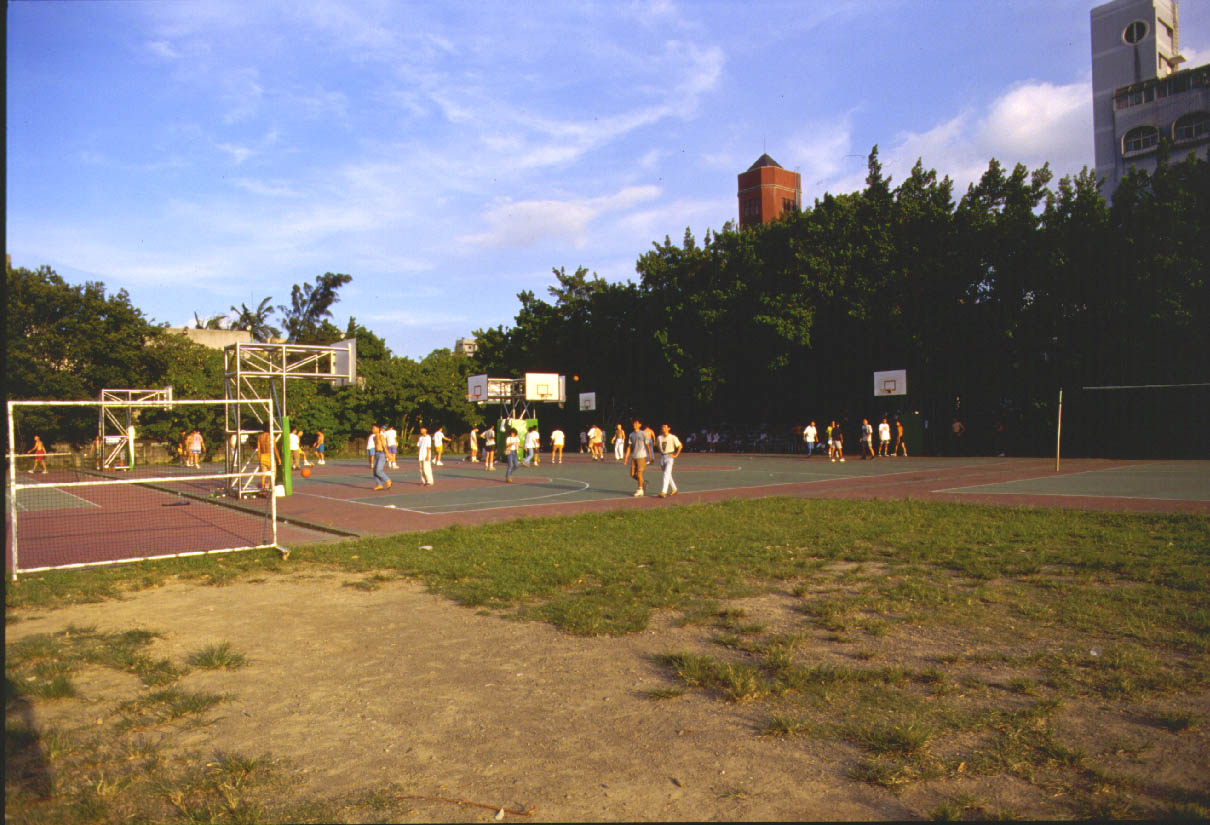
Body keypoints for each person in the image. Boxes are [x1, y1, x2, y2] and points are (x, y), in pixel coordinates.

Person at [622, 418, 649, 497]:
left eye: (637, 423)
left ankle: (640, 489)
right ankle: (643, 483)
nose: (635, 425)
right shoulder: (631, 435)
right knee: (632, 474)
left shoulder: (643, 433)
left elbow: (647, 445)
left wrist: (650, 456)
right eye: (634, 423)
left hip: (641, 456)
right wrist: (626, 458)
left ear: (640, 425)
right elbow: (629, 447)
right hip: (634, 456)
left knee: (639, 473)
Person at [656, 423, 683, 498]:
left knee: (666, 474)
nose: (663, 428)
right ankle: (674, 489)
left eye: (665, 427)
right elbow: (657, 445)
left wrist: (676, 455)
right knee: (668, 474)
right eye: (662, 427)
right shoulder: (659, 437)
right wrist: (661, 452)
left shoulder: (672, 437)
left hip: (670, 457)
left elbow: (680, 446)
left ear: (668, 428)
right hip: (662, 457)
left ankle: (663, 491)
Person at [256, 428, 281, 493]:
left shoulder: (260, 437)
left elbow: (258, 449)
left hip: (263, 455)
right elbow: (275, 448)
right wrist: (278, 458)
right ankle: (267, 485)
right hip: (270, 456)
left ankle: (262, 489)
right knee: (274, 473)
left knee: (263, 474)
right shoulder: (272, 436)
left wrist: (259, 459)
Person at [370, 424, 391, 491]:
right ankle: (379, 485)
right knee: (374, 472)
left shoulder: (381, 436)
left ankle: (387, 480)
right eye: (372, 428)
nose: (372, 430)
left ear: (378, 429)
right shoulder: (374, 437)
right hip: (376, 454)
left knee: (378, 470)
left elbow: (384, 446)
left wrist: (387, 454)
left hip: (382, 454)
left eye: (374, 428)